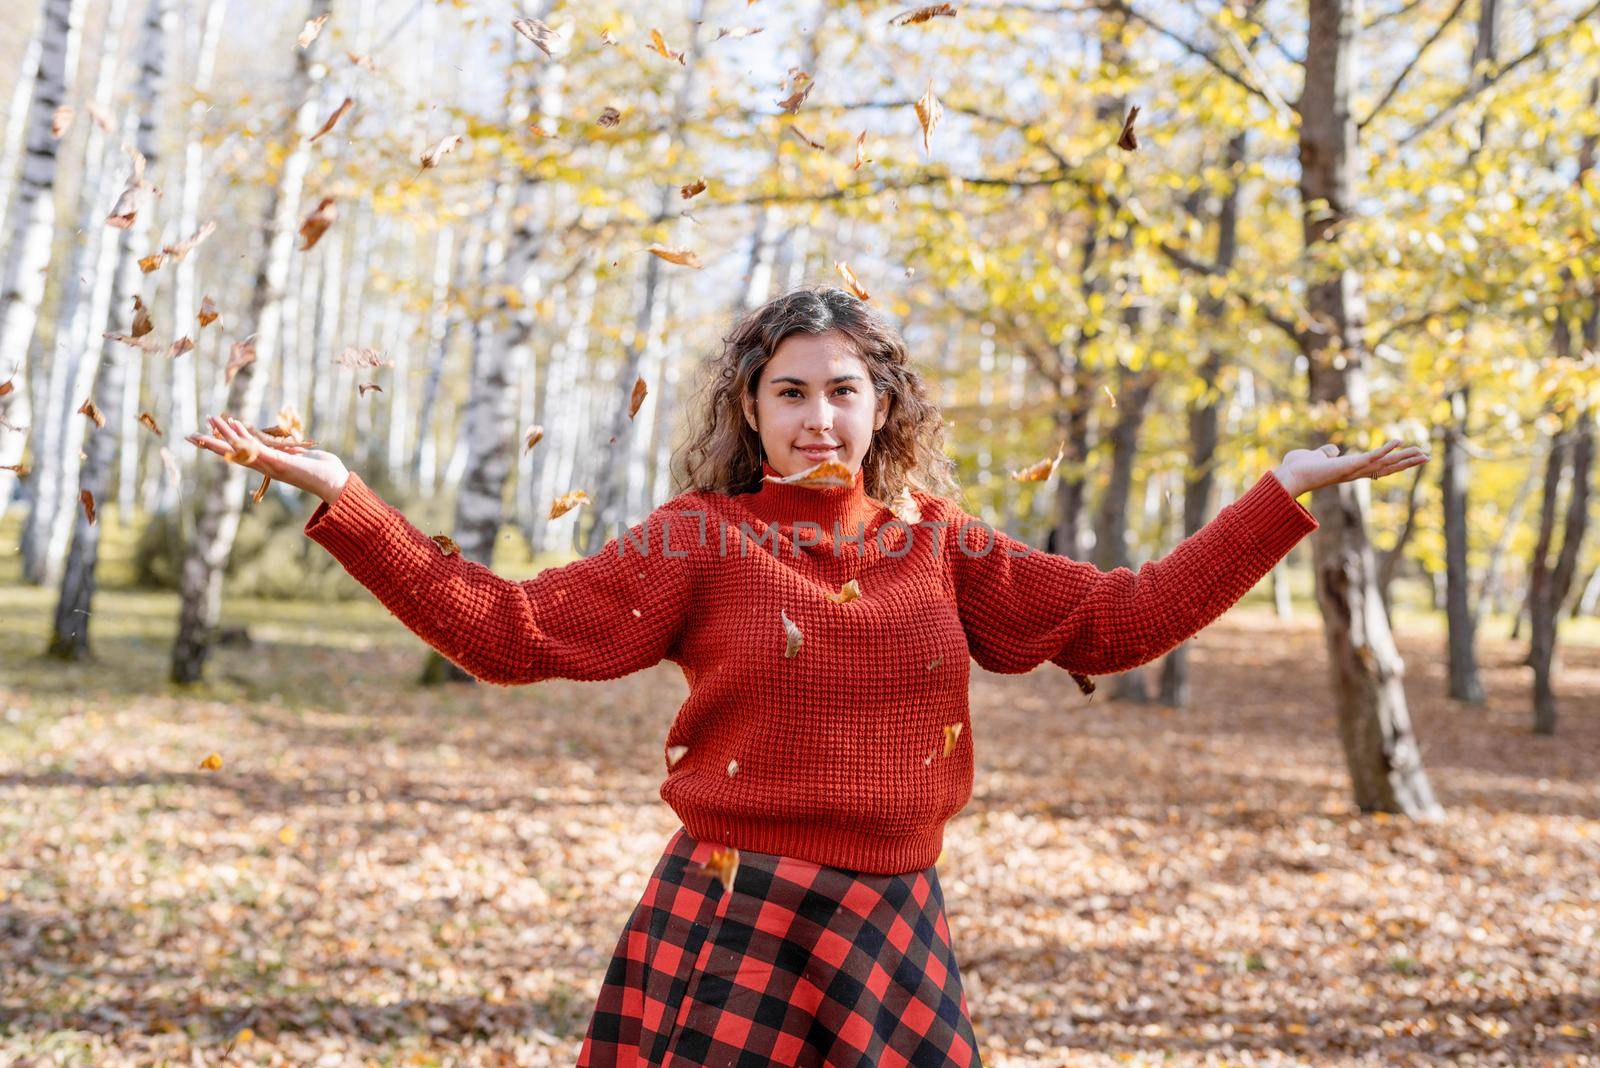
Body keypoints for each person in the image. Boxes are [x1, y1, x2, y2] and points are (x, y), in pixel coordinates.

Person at [187, 285, 1428, 1066]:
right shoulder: (697, 537)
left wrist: (1280, 498)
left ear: (883, 408)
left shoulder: (943, 545)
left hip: (890, 919)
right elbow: (511, 633)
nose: (817, 419)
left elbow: (1121, 620)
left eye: (844, 392)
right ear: (752, 405)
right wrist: (348, 500)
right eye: (790, 393)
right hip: (732, 909)